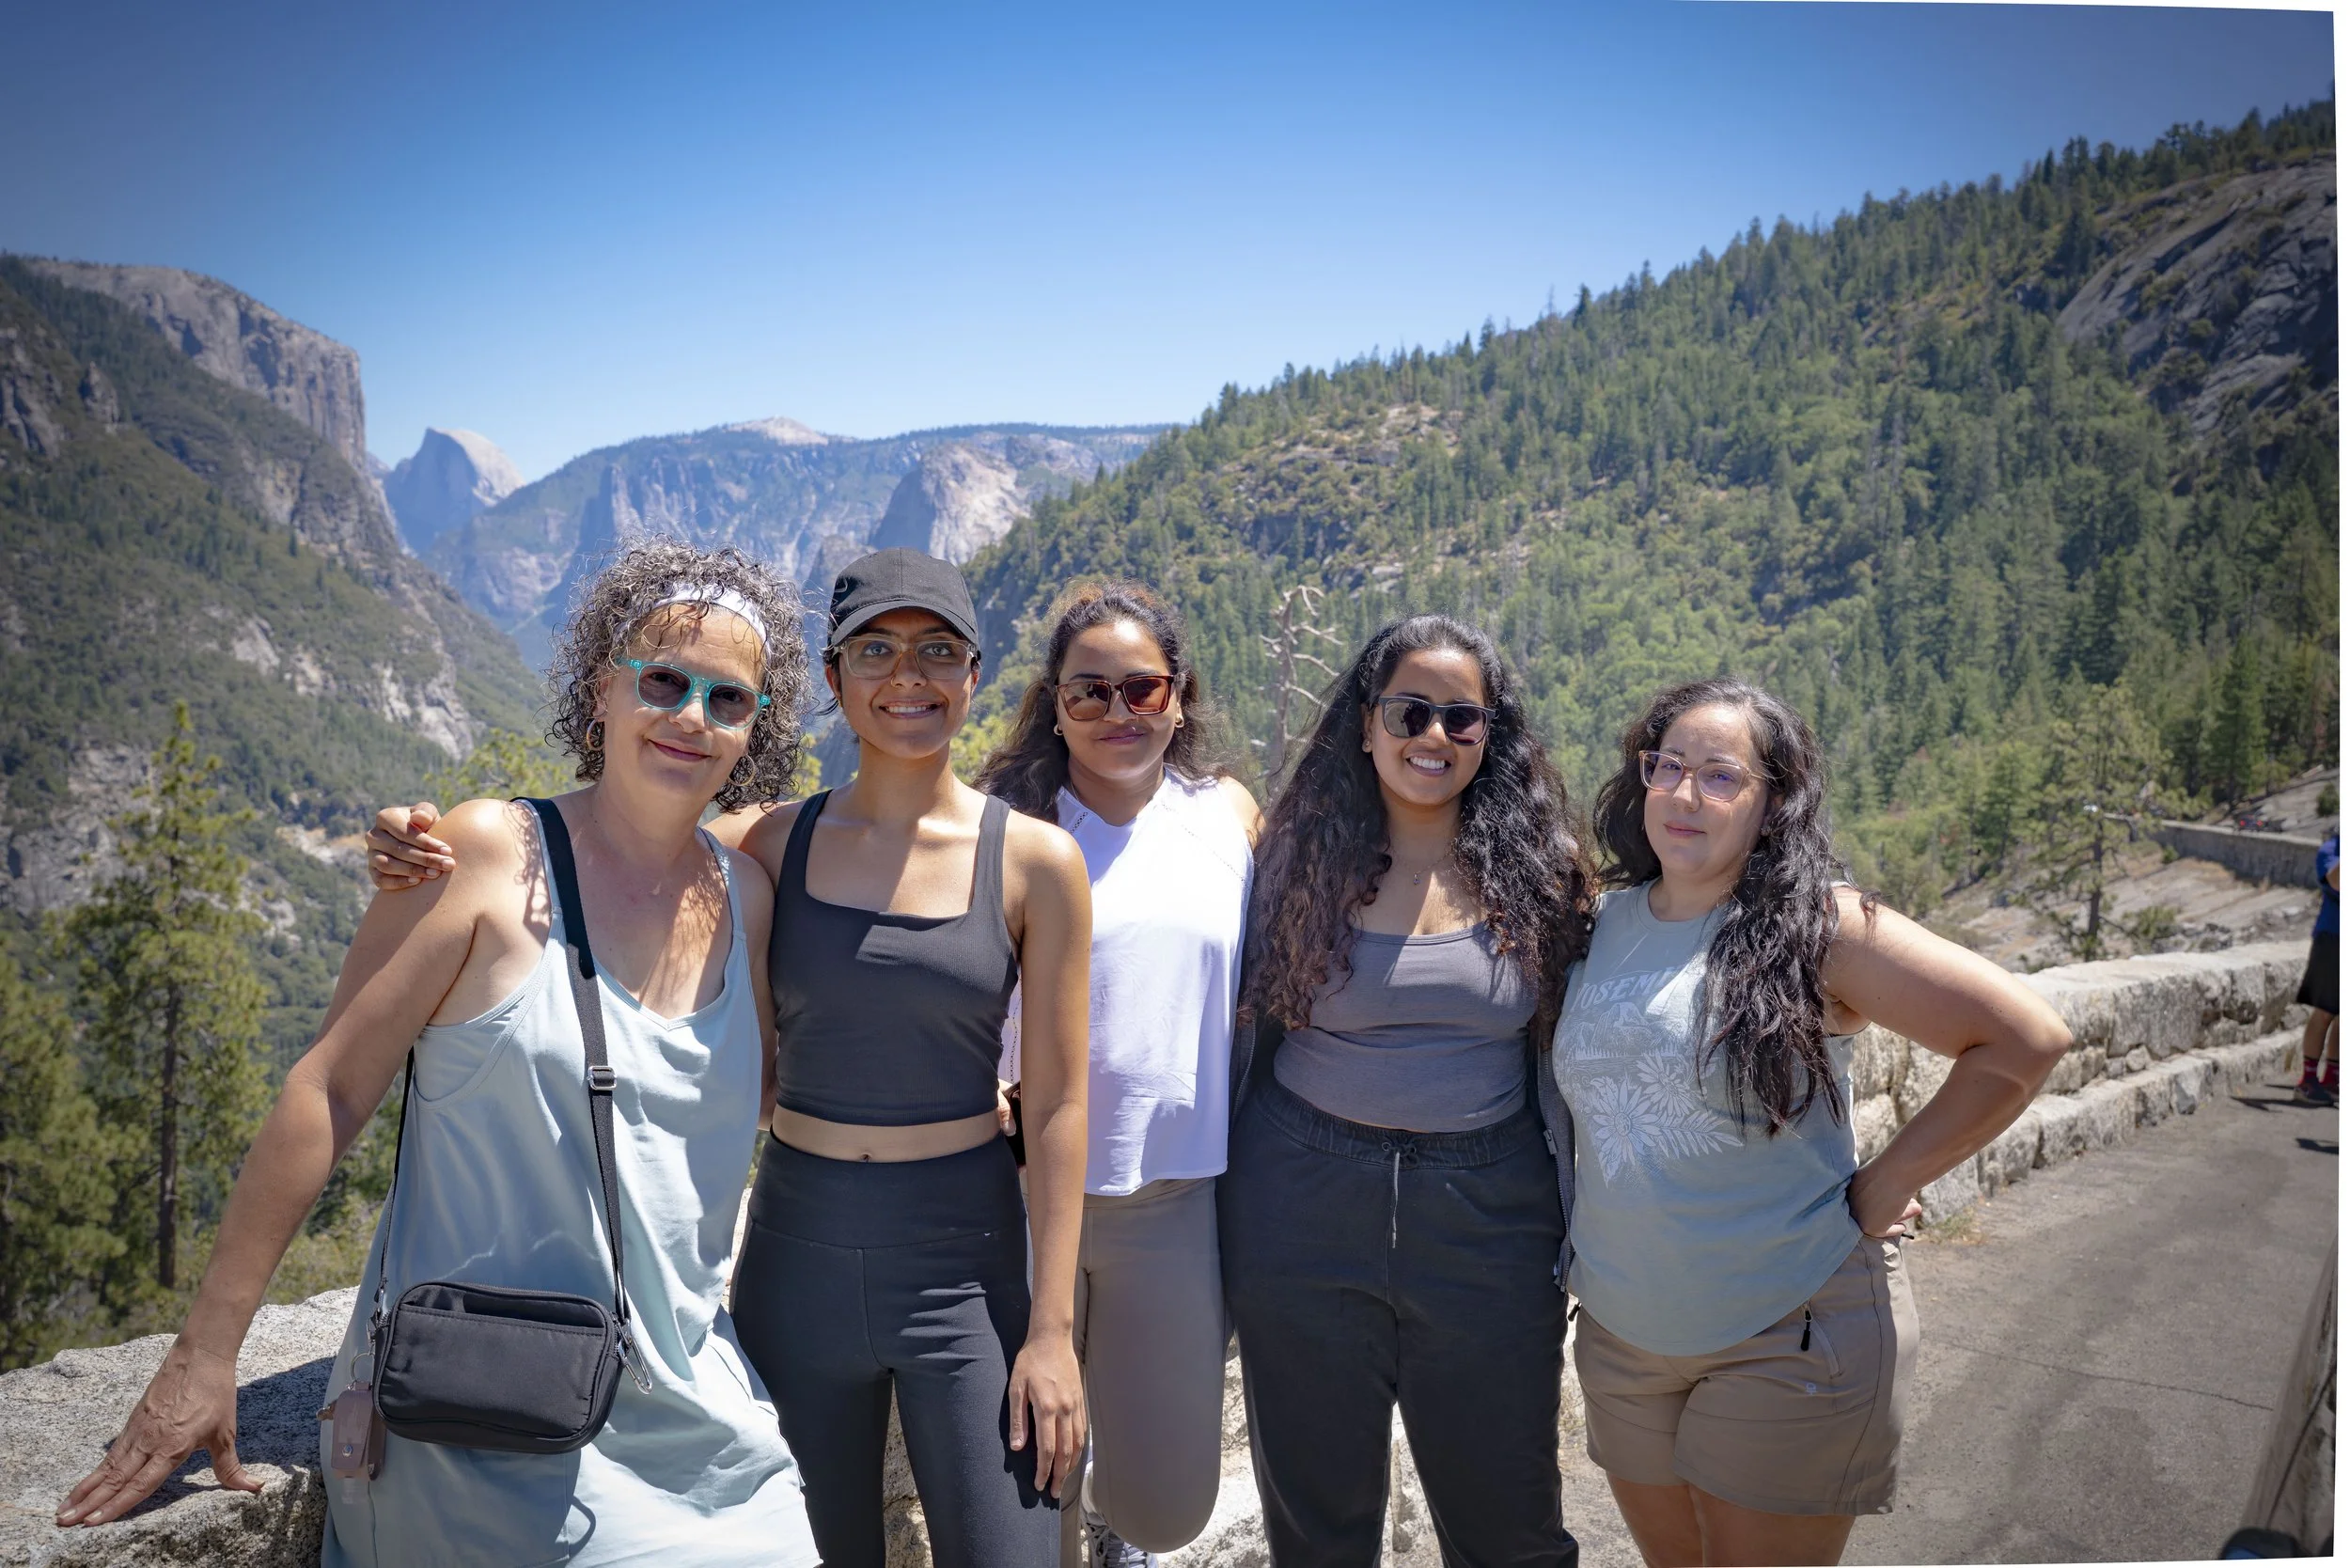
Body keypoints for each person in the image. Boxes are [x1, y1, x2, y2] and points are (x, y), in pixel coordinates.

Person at [56, 541, 822, 1566]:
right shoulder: (484, 857)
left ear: (755, 729)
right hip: (484, 1410)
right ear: (602, 691)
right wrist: (203, 1358)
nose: (691, 715)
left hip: (699, 1408)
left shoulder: (748, 897)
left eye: (728, 700)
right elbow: (326, 1089)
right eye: (663, 682)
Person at [367, 549, 1092, 1566]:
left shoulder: (1034, 863)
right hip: (797, 1262)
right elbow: (613, 847)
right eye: (875, 650)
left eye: (937, 651)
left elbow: (1060, 1106)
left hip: (965, 1270)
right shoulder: (764, 848)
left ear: (973, 675)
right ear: (834, 684)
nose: (907, 676)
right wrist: (418, 841)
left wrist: (1053, 1331)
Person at [1557, 678, 2073, 1568]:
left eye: (1721, 777)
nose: (1684, 794)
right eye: (1667, 766)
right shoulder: (1599, 923)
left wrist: (1890, 1182)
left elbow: (2023, 1040)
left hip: (1790, 1333)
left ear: (1775, 801)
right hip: (1623, 1340)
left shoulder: (1818, 929)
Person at [1220, 612, 1590, 1568]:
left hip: (1489, 1212)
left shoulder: (1543, 875)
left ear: (1489, 734)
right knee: (1318, 1524)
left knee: (1506, 1523)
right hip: (1299, 1200)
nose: (1433, 737)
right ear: (1364, 722)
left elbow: (1599, 1039)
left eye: (1460, 719)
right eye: (1409, 712)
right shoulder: (1293, 862)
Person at [974, 581, 1259, 1568]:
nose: (1116, 713)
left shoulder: (1225, 818)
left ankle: (1111, 1530)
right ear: (1053, 702)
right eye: (1088, 692)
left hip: (1171, 1202)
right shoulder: (1002, 828)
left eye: (1140, 690)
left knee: (1165, 1506)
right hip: (1015, 1194)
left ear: (1178, 696)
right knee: (1022, 1483)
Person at [2292, 828, 2338, 1105]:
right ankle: (2307, 1080)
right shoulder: (2331, 850)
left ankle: (2333, 1078)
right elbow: (2337, 881)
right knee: (2324, 1011)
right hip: (2333, 939)